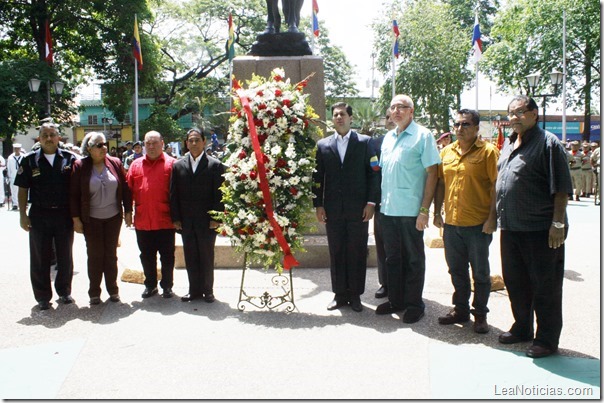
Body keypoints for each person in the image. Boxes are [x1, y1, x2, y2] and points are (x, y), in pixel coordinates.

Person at [496, 95, 573, 358]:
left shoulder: (548, 143)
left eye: (519, 112)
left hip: (541, 230)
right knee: (515, 282)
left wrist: (558, 223)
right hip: (511, 227)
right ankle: (522, 328)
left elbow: (561, 188)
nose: (513, 117)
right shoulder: (508, 143)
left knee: (545, 286)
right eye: (510, 113)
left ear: (534, 113)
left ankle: (547, 340)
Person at [432, 109, 499, 334]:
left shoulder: (489, 152)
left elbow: (496, 187)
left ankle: (480, 314)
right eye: (457, 124)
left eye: (466, 124)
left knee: (480, 273)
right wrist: (436, 213)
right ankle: (460, 309)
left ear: (477, 128)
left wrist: (492, 218)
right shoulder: (447, 152)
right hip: (452, 224)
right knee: (456, 270)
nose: (460, 129)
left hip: (478, 226)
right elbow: (440, 184)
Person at [376, 94, 440, 324]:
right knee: (392, 259)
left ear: (411, 111)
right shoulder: (387, 138)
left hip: (411, 210)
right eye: (393, 107)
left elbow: (433, 173)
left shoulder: (423, 136)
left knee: (413, 259)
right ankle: (396, 300)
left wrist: (425, 210)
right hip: (388, 210)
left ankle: (414, 304)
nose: (396, 111)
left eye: (402, 107)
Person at [313, 102, 379, 312]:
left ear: (351, 118)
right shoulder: (323, 145)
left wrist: (371, 203)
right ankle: (339, 294)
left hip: (358, 210)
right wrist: (318, 205)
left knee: (357, 251)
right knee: (337, 251)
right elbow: (317, 178)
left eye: (342, 114)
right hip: (332, 210)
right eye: (335, 115)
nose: (339, 118)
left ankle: (355, 295)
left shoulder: (365, 143)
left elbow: (374, 174)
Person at [14, 121, 78, 310]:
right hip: (39, 215)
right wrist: (22, 215)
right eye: (45, 136)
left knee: (65, 255)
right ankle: (42, 296)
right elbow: (22, 189)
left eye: (52, 135)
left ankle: (64, 291)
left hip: (64, 214)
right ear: (39, 139)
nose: (49, 138)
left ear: (59, 137)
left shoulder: (70, 159)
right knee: (40, 256)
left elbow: (77, 188)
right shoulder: (29, 160)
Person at [70, 132, 132, 305]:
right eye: (99, 145)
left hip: (113, 218)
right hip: (91, 219)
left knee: (111, 255)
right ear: (89, 149)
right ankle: (94, 292)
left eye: (104, 144)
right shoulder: (80, 166)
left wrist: (128, 211)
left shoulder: (115, 163)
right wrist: (76, 219)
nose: (104, 148)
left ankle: (113, 290)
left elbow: (125, 188)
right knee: (95, 255)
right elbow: (73, 195)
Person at [170, 129, 225, 303]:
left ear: (204, 141)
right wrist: (176, 218)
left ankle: (208, 291)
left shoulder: (215, 165)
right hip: (186, 221)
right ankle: (193, 290)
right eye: (190, 140)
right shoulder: (178, 165)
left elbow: (220, 194)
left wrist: (216, 218)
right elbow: (174, 194)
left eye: (197, 140)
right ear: (186, 143)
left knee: (206, 256)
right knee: (191, 255)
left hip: (207, 221)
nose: (193, 143)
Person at [127, 131, 177, 299]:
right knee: (146, 256)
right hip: (143, 220)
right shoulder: (135, 165)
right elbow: (128, 192)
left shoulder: (172, 165)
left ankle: (167, 286)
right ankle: (150, 285)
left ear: (162, 143)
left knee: (167, 256)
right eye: (148, 143)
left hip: (165, 220)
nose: (151, 146)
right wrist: (127, 212)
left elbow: (178, 193)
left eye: (155, 143)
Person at [373, 110, 396, 299]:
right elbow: (372, 172)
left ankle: (403, 285)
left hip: (404, 204)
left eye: (393, 116)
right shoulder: (377, 143)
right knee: (382, 247)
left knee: (402, 248)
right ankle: (386, 284)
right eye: (387, 117)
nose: (390, 120)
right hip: (381, 203)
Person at [7, 143, 26, 210]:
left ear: (20, 149)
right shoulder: (10, 157)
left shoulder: (24, 156)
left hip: (22, 176)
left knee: (22, 190)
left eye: (18, 148)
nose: (17, 150)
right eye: (15, 148)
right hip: (13, 176)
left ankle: (23, 204)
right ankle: (15, 204)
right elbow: (8, 167)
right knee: (14, 191)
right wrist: (8, 176)